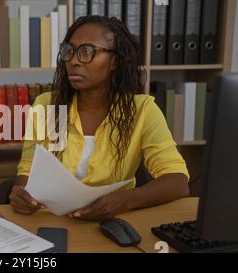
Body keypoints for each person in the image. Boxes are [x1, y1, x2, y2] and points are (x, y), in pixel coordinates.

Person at [10, 16, 189, 220]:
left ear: (114, 61)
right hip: (53, 220)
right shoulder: (46, 105)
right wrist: (22, 193)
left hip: (113, 221)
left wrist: (125, 200)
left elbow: (177, 181)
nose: (74, 60)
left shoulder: (143, 111)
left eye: (87, 52)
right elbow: (27, 170)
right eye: (69, 51)